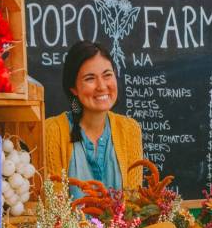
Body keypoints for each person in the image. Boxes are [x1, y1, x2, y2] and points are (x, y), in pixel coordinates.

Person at [45, 40, 143, 193]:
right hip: (66, 219)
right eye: (90, 78)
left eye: (107, 75)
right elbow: (55, 209)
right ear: (73, 88)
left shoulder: (130, 130)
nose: (102, 86)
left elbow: (134, 204)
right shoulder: (53, 131)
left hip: (122, 218)